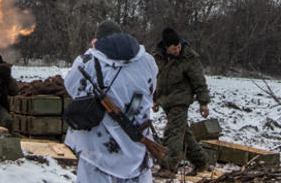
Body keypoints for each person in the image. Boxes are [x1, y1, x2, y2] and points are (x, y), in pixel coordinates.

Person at [63, 20, 158, 183]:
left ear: (97, 41)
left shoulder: (87, 61)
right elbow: (151, 90)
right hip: (137, 148)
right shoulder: (147, 60)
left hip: (98, 148)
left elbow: (71, 88)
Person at [152, 27, 210, 177]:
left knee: (173, 132)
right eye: (173, 48)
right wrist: (155, 99)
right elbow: (154, 78)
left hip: (181, 100)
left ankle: (169, 167)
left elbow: (199, 80)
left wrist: (203, 102)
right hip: (166, 100)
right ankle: (201, 162)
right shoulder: (157, 56)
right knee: (183, 135)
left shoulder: (188, 57)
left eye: (178, 47)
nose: (177, 50)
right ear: (166, 47)